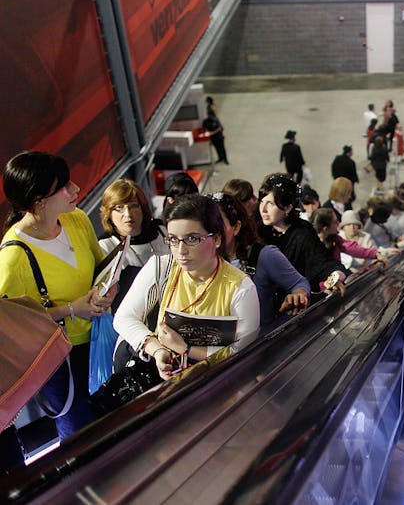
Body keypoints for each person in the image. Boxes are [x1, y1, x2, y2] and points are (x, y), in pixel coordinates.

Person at [0, 151, 116, 439]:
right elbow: (11, 327)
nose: (76, 189)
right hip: (61, 358)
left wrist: (107, 291)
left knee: (114, 417)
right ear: (39, 201)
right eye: (64, 185)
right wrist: (71, 310)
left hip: (101, 338)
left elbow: (99, 269)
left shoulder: (76, 219)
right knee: (80, 434)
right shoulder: (14, 257)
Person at [113, 194, 260, 380]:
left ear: (216, 239)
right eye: (173, 239)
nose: (181, 250)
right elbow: (124, 318)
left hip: (215, 386)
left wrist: (186, 348)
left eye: (192, 239)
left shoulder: (240, 288)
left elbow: (241, 350)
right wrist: (157, 349)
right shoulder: (161, 267)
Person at [210, 192, 309, 327]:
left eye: (218, 224)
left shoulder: (264, 255)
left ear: (236, 227)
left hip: (259, 344)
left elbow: (299, 283)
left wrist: (298, 295)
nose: (210, 232)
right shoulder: (200, 261)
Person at [257, 173, 347, 294]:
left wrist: (336, 275)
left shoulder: (302, 231)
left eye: (270, 204)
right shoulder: (257, 229)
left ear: (288, 208)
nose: (263, 210)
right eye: (262, 202)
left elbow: (322, 262)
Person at [99, 179, 170, 312]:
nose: (128, 214)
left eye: (133, 206)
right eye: (119, 208)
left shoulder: (162, 229)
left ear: (142, 208)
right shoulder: (106, 246)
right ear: (109, 213)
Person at [312, 208, 396, 268]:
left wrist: (375, 254)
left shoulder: (334, 238)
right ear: (325, 229)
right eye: (335, 222)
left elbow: (351, 248)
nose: (338, 223)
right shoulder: (311, 245)